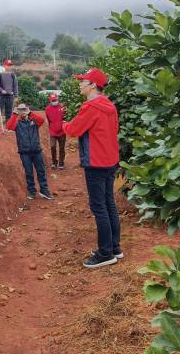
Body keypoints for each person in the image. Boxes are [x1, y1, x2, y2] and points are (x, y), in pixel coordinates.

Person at [63, 68, 121, 269]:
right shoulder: (109, 106)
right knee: (109, 203)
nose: (80, 85)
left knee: (99, 207)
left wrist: (64, 125)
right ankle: (115, 247)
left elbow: (73, 130)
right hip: (110, 160)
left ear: (93, 85)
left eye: (83, 81)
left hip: (96, 162)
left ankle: (105, 254)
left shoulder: (91, 107)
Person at [6, 104, 54, 201]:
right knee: (29, 172)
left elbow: (42, 120)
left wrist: (30, 112)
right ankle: (32, 191)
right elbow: (9, 126)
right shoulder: (17, 123)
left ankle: (44, 190)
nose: (22, 111)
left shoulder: (34, 120)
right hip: (24, 152)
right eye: (20, 109)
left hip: (37, 150)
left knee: (41, 171)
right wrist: (15, 114)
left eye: (24, 109)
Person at [45, 93, 66, 170]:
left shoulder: (62, 107)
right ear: (50, 101)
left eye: (55, 100)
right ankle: (54, 162)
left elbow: (65, 118)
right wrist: (51, 127)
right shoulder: (47, 109)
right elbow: (48, 120)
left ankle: (61, 162)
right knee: (52, 146)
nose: (54, 101)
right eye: (53, 100)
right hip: (53, 131)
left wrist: (63, 126)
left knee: (61, 148)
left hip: (62, 131)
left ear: (58, 99)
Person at [0, 60, 18, 125]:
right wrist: (1, 90)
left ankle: (8, 125)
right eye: (7, 65)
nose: (9, 67)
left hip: (10, 96)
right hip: (2, 96)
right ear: (4, 65)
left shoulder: (12, 75)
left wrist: (16, 95)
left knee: (9, 112)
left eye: (10, 65)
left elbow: (15, 85)